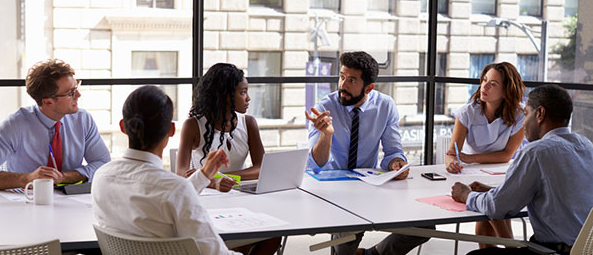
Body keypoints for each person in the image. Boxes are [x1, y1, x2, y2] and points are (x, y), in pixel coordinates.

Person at [451, 84, 593, 255]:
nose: (523, 123)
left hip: (556, 251)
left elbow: (497, 207)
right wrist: (498, 191)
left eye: (526, 114)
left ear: (540, 114)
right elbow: (560, 194)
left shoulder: (536, 152)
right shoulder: (586, 145)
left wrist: (466, 195)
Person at [92, 85, 240, 255]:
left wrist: (203, 175)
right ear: (171, 130)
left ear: (123, 127)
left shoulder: (102, 177)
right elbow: (216, 253)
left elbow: (169, 196)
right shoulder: (174, 189)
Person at [305, 51, 429, 255]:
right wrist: (326, 135)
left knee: (423, 228)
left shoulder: (385, 105)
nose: (343, 85)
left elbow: (393, 152)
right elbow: (316, 164)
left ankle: (374, 254)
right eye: (342, 76)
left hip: (368, 185)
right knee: (345, 244)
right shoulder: (324, 108)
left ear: (369, 87)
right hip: (332, 189)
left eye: (352, 80)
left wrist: (396, 163)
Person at [177, 63, 280, 255]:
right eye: (243, 92)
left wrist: (224, 177)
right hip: (206, 201)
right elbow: (181, 175)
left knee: (274, 236)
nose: (248, 98)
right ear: (224, 95)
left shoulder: (248, 123)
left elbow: (262, 168)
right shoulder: (193, 125)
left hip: (240, 197)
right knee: (235, 241)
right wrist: (213, 182)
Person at [445, 62, 526, 248]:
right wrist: (451, 162)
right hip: (473, 174)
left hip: (502, 173)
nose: (484, 86)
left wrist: (469, 158)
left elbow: (506, 155)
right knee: (488, 206)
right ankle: (510, 247)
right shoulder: (467, 113)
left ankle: (510, 248)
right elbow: (452, 153)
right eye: (484, 80)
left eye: (493, 84)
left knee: (489, 202)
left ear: (506, 91)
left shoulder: (520, 115)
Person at [0, 59, 110, 190]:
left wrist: (64, 177)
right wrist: (27, 179)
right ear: (48, 102)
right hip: (26, 201)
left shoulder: (83, 120)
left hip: (74, 201)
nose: (79, 95)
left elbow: (103, 165)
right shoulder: (14, 125)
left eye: (76, 87)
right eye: (70, 93)